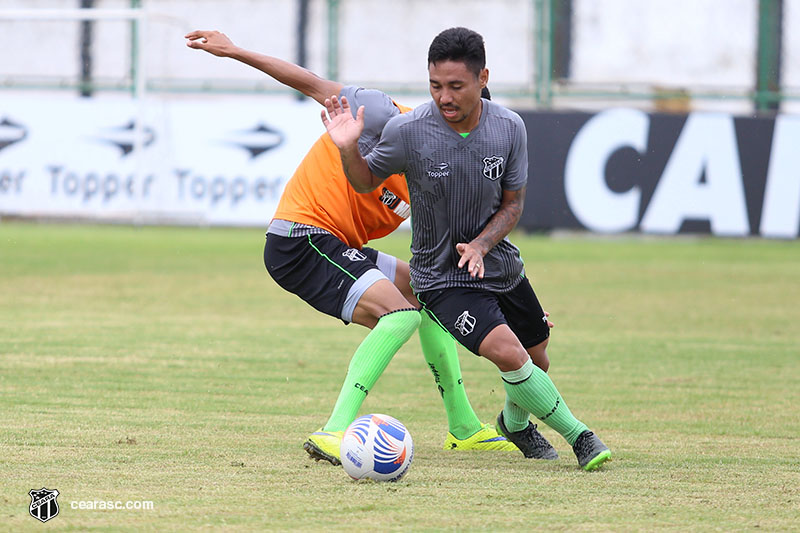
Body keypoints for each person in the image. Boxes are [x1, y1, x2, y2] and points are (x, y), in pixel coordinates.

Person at [185, 30, 528, 466]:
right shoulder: (391, 119)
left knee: (427, 294)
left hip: (336, 245)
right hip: (301, 238)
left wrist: (515, 302)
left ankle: (463, 428)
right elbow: (312, 84)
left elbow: (466, 253)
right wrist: (234, 51)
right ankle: (333, 430)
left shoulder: (457, 180)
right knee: (399, 313)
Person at [321, 27, 612, 470]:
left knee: (537, 357)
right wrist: (346, 149)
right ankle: (581, 437)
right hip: (440, 278)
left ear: (482, 79)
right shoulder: (409, 130)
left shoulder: (509, 128)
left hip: (500, 266)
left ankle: (515, 423)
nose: (444, 96)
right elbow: (364, 182)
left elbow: (513, 205)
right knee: (509, 354)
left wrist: (480, 245)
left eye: (456, 86)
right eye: (435, 85)